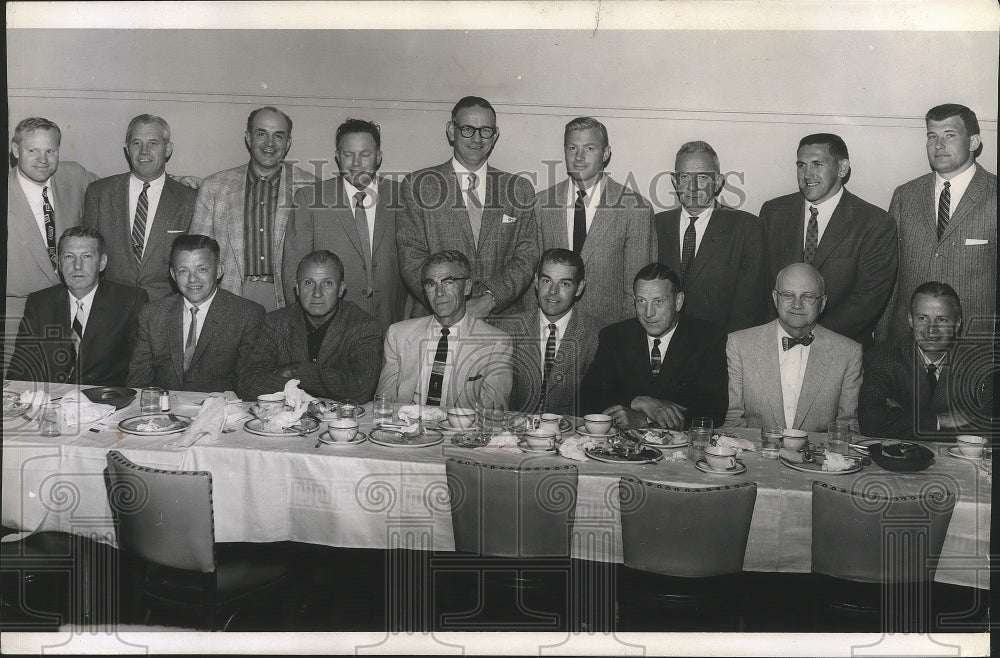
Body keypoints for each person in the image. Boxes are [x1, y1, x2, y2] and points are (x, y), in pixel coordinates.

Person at [396, 96, 539, 319]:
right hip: (435, 318)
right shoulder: (419, 186)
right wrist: (449, 305)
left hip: (503, 320)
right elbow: (410, 257)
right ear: (451, 131)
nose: (476, 138)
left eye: (485, 130)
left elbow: (526, 257)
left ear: (495, 135)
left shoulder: (519, 189)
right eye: (467, 129)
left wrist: (490, 300)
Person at [760, 133, 897, 346]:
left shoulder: (874, 223)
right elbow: (762, 284)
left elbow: (868, 298)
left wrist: (811, 338)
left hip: (842, 347)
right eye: (801, 165)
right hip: (777, 344)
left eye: (817, 164)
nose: (807, 174)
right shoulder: (773, 212)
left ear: (842, 168)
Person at [878, 104, 997, 342]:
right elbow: (890, 276)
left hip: (976, 345)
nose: (938, 145)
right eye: (932, 136)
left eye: (950, 136)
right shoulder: (905, 195)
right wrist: (882, 339)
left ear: (973, 142)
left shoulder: (994, 193)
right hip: (908, 342)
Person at [282, 119, 405, 330]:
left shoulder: (401, 195)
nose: (356, 163)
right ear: (338, 157)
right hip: (331, 329)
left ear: (379, 156)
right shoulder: (310, 199)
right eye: (348, 155)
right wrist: (304, 330)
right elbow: (293, 270)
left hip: (391, 325)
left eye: (365, 154)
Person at [190, 106, 317, 311]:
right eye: (261, 134)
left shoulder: (310, 187)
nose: (269, 143)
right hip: (229, 296)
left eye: (278, 136)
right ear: (248, 139)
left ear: (288, 143)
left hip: (289, 299)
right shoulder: (214, 186)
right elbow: (196, 256)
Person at [536, 117, 656, 323]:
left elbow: (638, 291)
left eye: (589, 148)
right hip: (550, 329)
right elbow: (533, 278)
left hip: (608, 332)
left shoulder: (635, 208)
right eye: (572, 148)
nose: (579, 157)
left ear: (606, 153)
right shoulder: (541, 204)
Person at [580, 263, 728, 430]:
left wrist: (645, 420)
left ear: (678, 302)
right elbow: (588, 396)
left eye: (658, 301)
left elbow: (714, 411)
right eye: (641, 301)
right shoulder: (615, 336)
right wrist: (638, 402)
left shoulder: (707, 338)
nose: (648, 313)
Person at [725, 263, 862, 432]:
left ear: (823, 303)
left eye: (808, 296)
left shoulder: (848, 353)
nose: (797, 304)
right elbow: (732, 422)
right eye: (788, 295)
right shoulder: (739, 345)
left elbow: (847, 430)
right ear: (775, 298)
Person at [10, 227, 148, 386]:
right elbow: (21, 368)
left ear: (102, 262)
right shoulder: (40, 303)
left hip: (106, 403)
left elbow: (141, 370)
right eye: (69, 257)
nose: (77, 266)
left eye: (87, 256)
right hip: (50, 403)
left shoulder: (130, 301)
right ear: (59, 264)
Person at [239, 250, 383, 402]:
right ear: (297, 288)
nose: (317, 293)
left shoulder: (363, 326)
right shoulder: (275, 322)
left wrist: (298, 372)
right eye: (308, 283)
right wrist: (323, 385)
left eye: (327, 283)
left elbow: (361, 389)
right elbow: (248, 384)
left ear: (341, 289)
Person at [127, 234, 265, 392]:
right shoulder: (152, 314)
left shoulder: (246, 315)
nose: (192, 279)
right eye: (183, 271)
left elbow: (247, 384)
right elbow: (138, 384)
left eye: (202, 269)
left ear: (219, 271)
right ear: (173, 275)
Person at [377, 250, 512, 409]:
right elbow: (384, 403)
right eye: (431, 284)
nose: (439, 293)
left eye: (448, 282)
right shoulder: (398, 335)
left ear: (467, 287)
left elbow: (493, 412)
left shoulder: (496, 343)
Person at [83, 114, 198, 300]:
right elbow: (88, 255)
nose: (144, 151)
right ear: (127, 149)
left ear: (168, 149)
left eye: (153, 143)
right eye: (136, 143)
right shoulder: (99, 193)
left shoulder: (189, 199)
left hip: (166, 309)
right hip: (111, 306)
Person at [655, 140, 767, 332]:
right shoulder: (656, 225)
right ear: (674, 181)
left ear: (718, 182)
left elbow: (750, 306)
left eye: (703, 178)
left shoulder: (747, 228)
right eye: (684, 177)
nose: (693, 187)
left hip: (721, 346)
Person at [861, 282, 993, 441]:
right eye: (922, 318)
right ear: (910, 320)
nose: (931, 329)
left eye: (942, 319)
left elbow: (988, 427)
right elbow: (870, 424)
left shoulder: (980, 363)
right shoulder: (882, 357)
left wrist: (903, 417)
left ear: (957, 323)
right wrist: (940, 420)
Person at [6, 117, 97, 336]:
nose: (43, 160)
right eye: (33, 151)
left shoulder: (74, 175)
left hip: (73, 306)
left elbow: (118, 191)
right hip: (16, 314)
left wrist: (170, 179)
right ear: (16, 150)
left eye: (51, 151)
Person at [492, 249, 601, 416]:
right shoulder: (507, 329)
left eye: (564, 284)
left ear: (579, 288)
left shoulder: (597, 335)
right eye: (546, 281)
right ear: (536, 281)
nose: (552, 291)